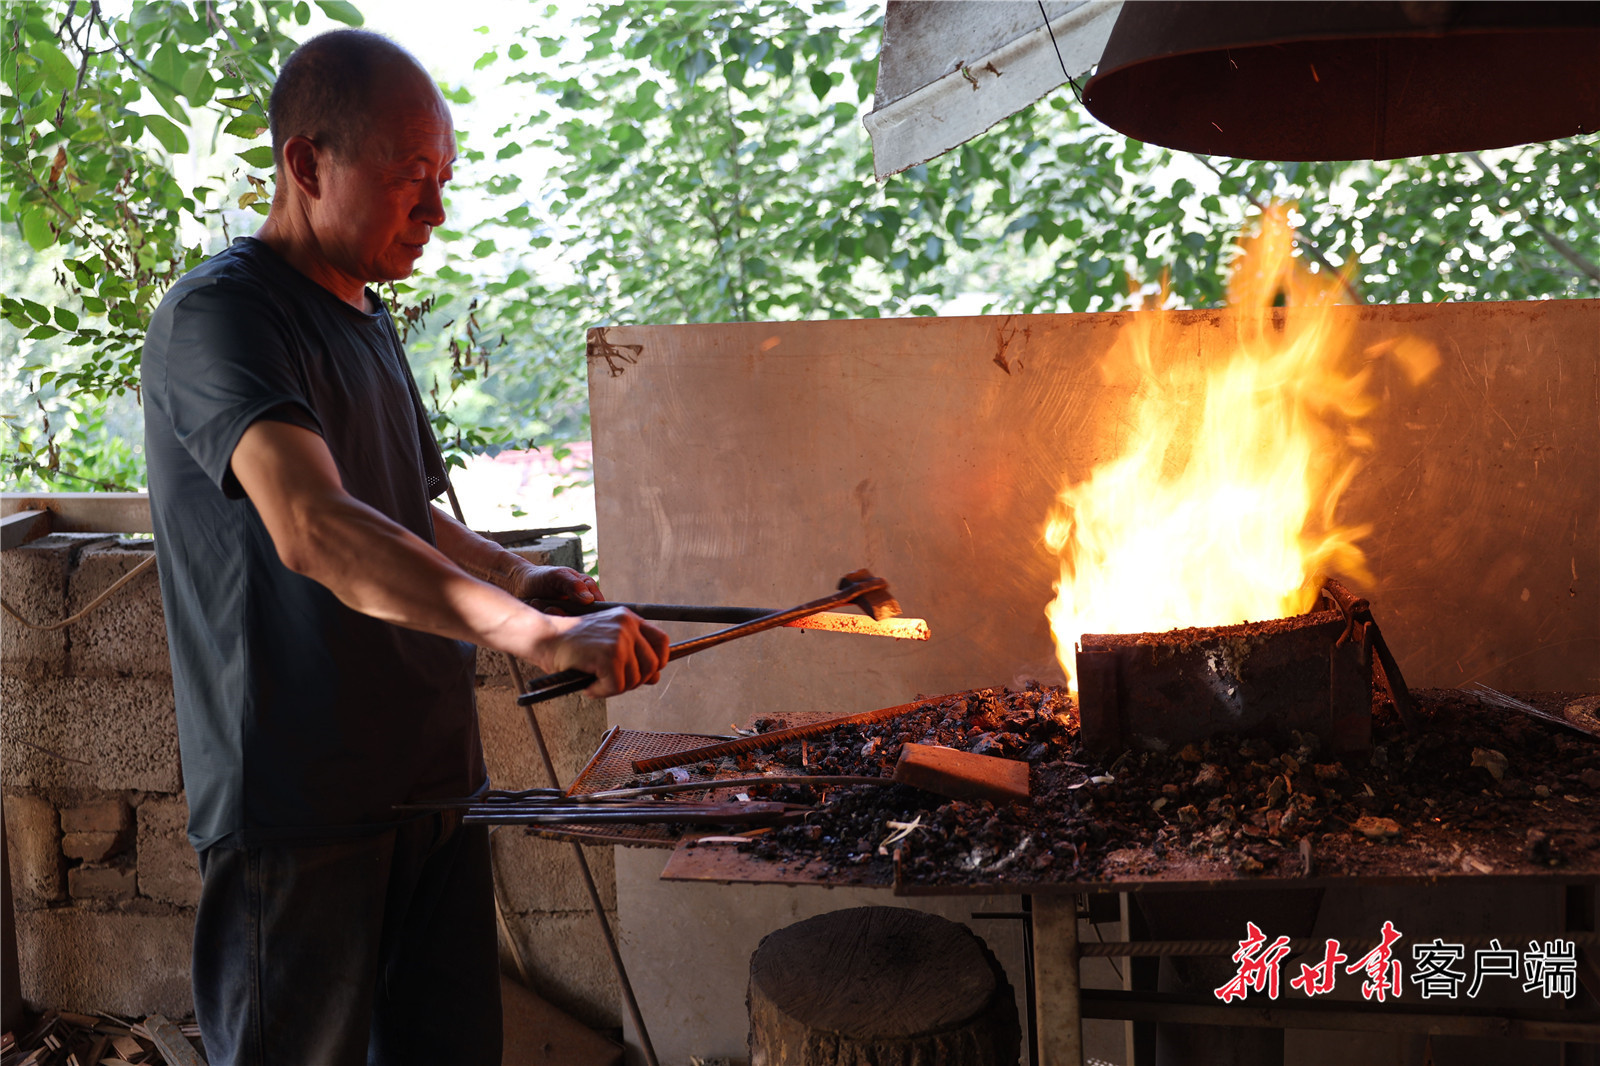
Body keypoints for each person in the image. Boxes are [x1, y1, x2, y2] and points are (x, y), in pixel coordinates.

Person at [140, 29, 669, 1066]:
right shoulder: (222, 317)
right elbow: (318, 525)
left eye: (444, 179)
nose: (435, 209)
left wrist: (526, 579)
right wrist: (532, 635)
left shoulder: (367, 321)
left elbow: (403, 507)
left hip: (428, 783)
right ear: (306, 162)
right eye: (408, 179)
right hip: (300, 803)